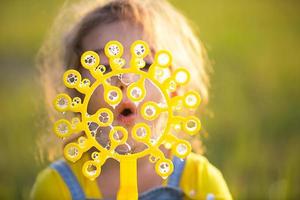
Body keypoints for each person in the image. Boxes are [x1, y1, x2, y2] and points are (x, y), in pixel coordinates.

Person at [31, 0, 233, 199]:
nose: (126, 80)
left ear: (173, 89)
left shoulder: (201, 183)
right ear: (77, 92)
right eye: (105, 68)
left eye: (145, 65)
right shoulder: (56, 189)